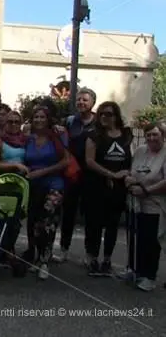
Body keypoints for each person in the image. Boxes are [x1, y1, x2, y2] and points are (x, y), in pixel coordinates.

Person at [83, 101, 132, 277]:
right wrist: (111, 175)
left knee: (113, 224)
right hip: (97, 186)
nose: (104, 117)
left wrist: (125, 175)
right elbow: (90, 161)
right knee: (94, 223)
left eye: (109, 114)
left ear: (116, 116)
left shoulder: (126, 135)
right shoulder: (93, 135)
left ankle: (107, 260)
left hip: (118, 188)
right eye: (101, 113)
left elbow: (129, 160)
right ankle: (92, 258)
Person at [22, 106, 69, 280]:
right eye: (36, 117)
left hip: (53, 184)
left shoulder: (57, 136)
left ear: (48, 119)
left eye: (42, 117)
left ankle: (44, 261)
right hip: (33, 186)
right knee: (34, 222)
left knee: (48, 223)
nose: (39, 120)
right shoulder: (28, 138)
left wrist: (43, 171)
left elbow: (66, 161)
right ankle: (35, 256)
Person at [123, 123, 166, 291]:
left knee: (151, 242)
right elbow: (132, 171)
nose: (151, 138)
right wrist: (128, 178)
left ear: (163, 135)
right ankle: (135, 270)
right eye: (148, 135)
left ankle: (149, 276)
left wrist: (146, 190)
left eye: (155, 135)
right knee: (136, 239)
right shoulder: (141, 150)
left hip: (155, 203)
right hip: (136, 202)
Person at [58, 88, 97, 262]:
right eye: (79, 99)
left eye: (85, 100)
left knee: (91, 215)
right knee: (68, 213)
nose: (81, 102)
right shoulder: (69, 121)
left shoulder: (99, 123)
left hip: (91, 175)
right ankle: (64, 250)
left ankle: (90, 254)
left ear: (92, 103)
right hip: (72, 174)